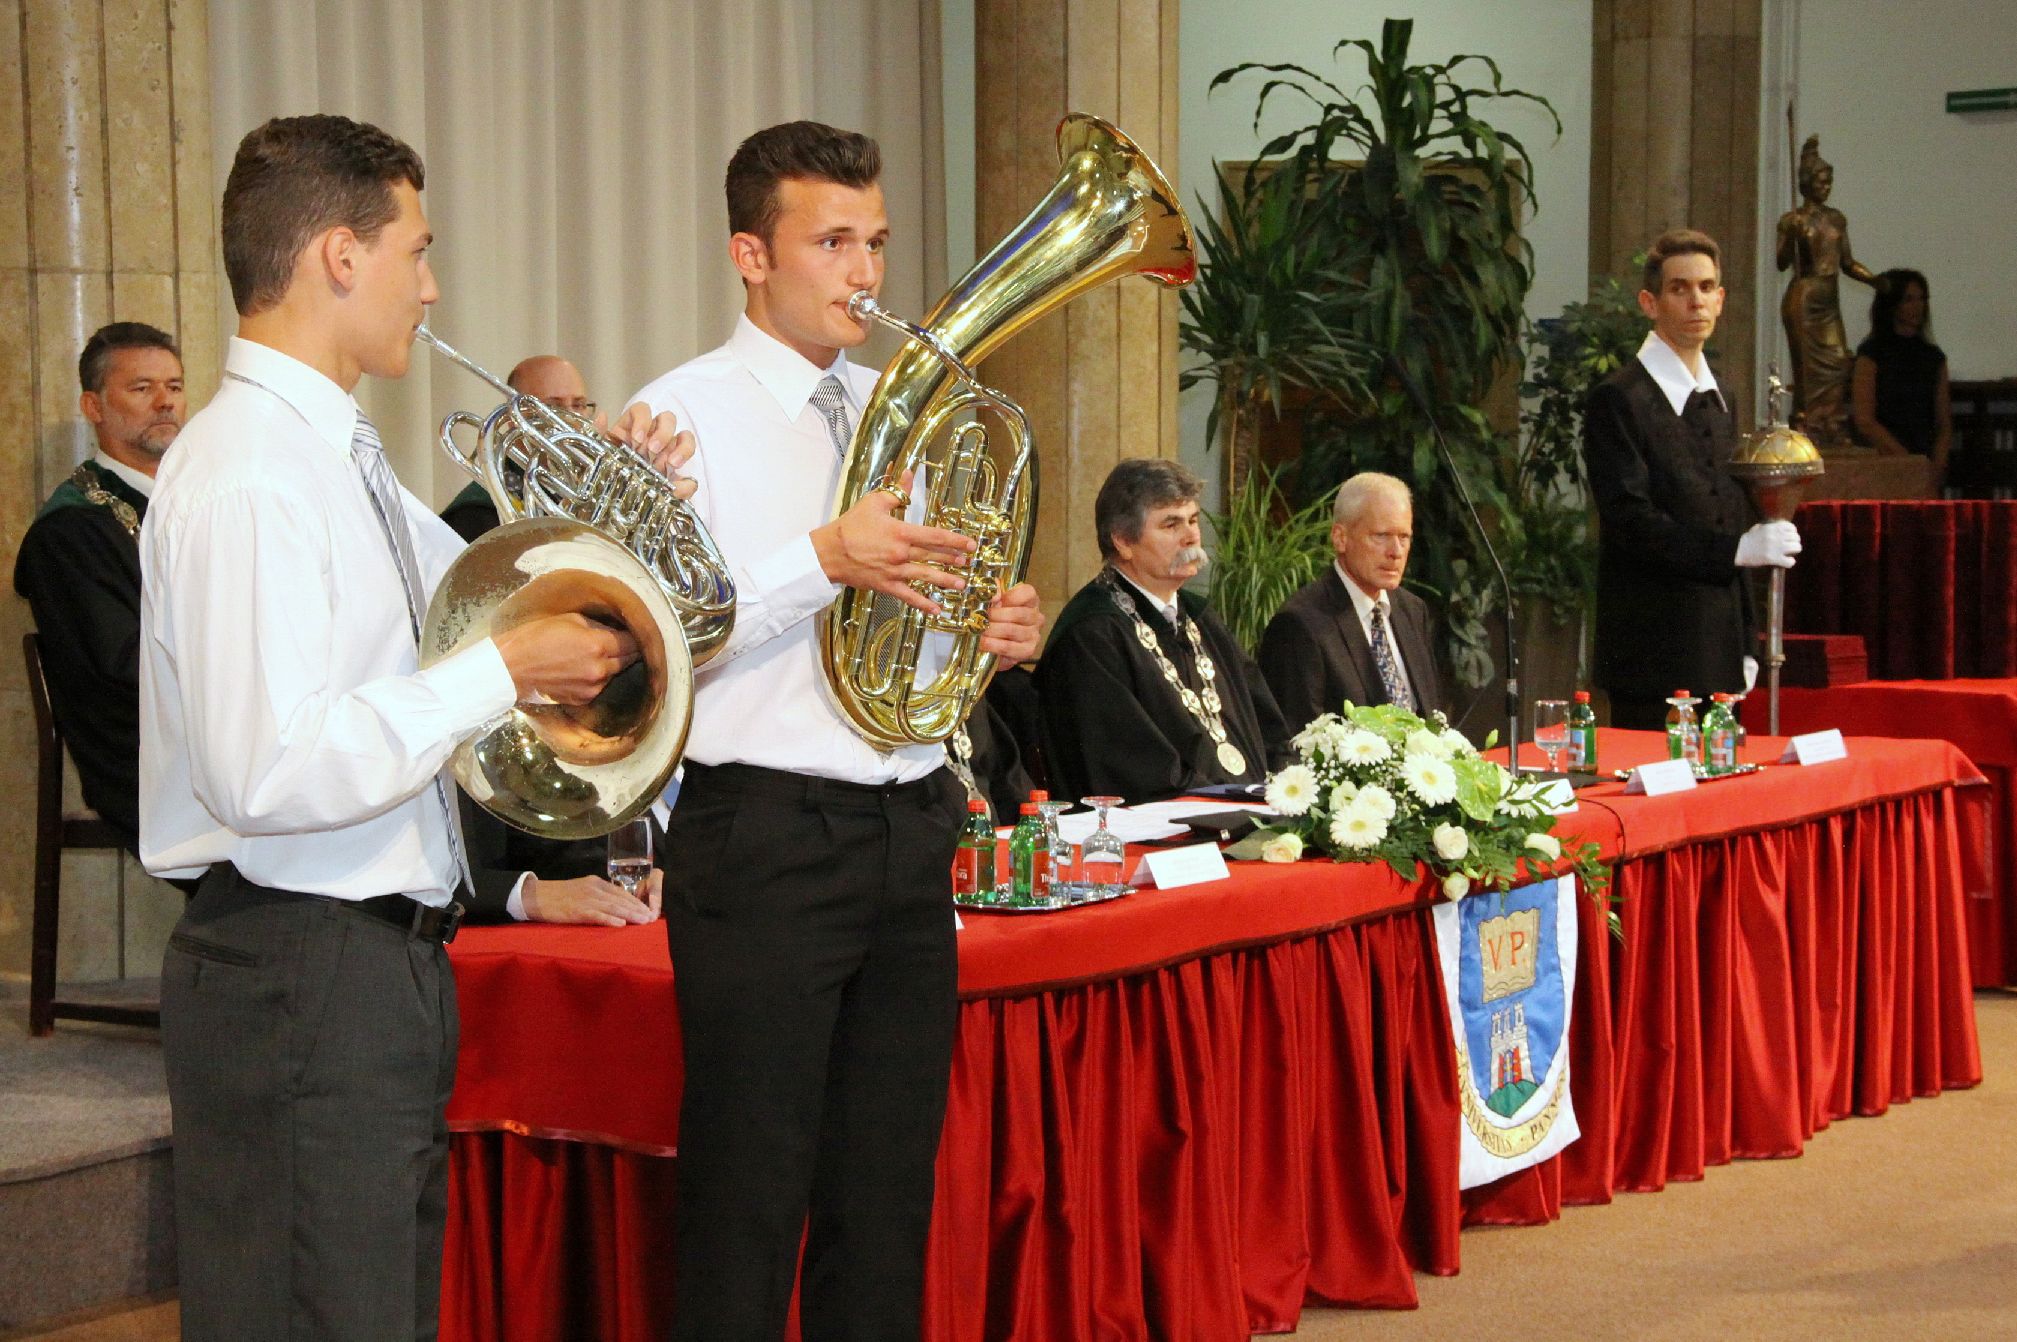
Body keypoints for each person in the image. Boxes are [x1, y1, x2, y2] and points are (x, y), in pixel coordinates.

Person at [139, 113, 690, 1340]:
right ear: (341, 255)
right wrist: (502, 668)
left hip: (373, 965)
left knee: (372, 1311)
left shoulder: (339, 456)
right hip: (300, 959)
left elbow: (509, 594)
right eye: (418, 250)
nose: (431, 287)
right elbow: (262, 768)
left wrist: (625, 511)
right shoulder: (250, 472)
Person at [625, 120, 1043, 1339]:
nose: (865, 274)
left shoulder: (900, 411)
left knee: (885, 1195)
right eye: (832, 243)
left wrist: (990, 629)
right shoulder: (676, 417)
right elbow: (663, 642)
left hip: (908, 821)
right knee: (747, 1196)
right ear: (750, 255)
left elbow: (922, 624)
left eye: (876, 242)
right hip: (762, 835)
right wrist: (822, 558)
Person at [1585, 228, 1800, 731]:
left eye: (1706, 288)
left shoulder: (1722, 394)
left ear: (1721, 300)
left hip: (1718, 647)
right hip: (1652, 650)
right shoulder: (1618, 398)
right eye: (1679, 288)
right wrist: (1735, 551)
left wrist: (1745, 641)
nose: (1695, 301)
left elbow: (1730, 512)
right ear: (1650, 302)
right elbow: (1630, 520)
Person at [14, 322, 185, 855]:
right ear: (94, 407)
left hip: (222, 734)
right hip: (149, 765)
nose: (165, 402)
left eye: (174, 386)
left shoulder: (196, 500)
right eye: (142, 388)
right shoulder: (71, 532)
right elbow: (123, 665)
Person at [1036, 457, 1290, 802]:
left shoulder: (1201, 617)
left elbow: (1270, 729)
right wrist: (1229, 804)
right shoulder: (1092, 634)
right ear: (1123, 541)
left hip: (1249, 812)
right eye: (1171, 525)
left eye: (1193, 520)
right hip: (1169, 823)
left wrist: (1290, 791)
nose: (1191, 537)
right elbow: (1134, 767)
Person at [1258, 470, 1444, 731]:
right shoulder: (1300, 625)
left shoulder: (1413, 610)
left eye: (1404, 537)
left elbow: (1432, 717)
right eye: (1381, 536)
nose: (1396, 552)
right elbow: (1293, 740)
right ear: (1340, 538)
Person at [1775, 135, 1878, 445]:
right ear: (1807, 183)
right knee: (1807, 370)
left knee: (1839, 363)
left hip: (1828, 300)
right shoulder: (1792, 220)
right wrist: (1792, 236)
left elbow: (1847, 263)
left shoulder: (1836, 220)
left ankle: (1832, 423)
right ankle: (1810, 426)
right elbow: (1781, 263)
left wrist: (1875, 281)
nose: (1826, 187)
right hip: (1804, 298)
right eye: (1821, 181)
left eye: (1829, 182)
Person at [440, 352, 594, 542]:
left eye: (578, 405)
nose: (572, 420)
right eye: (553, 406)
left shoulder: (589, 486)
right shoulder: (477, 512)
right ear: (514, 416)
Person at [1852, 268, 1951, 481]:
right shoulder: (1871, 354)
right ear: (1892, 304)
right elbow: (1865, 420)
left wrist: (1937, 464)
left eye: (1922, 299)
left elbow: (1943, 422)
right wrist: (1906, 461)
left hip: (1925, 459)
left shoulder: (1934, 357)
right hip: (1883, 461)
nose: (1918, 306)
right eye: (1909, 299)